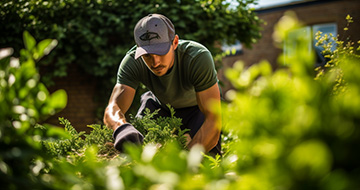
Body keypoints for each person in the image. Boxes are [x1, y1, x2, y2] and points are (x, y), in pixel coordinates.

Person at [103, 14, 222, 155]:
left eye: (161, 52)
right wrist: (120, 127)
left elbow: (213, 119)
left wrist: (186, 162)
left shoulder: (197, 57)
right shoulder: (133, 62)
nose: (155, 62)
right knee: (137, 147)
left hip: (197, 108)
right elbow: (113, 107)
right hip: (159, 106)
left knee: (209, 160)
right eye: (147, 55)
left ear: (175, 42)